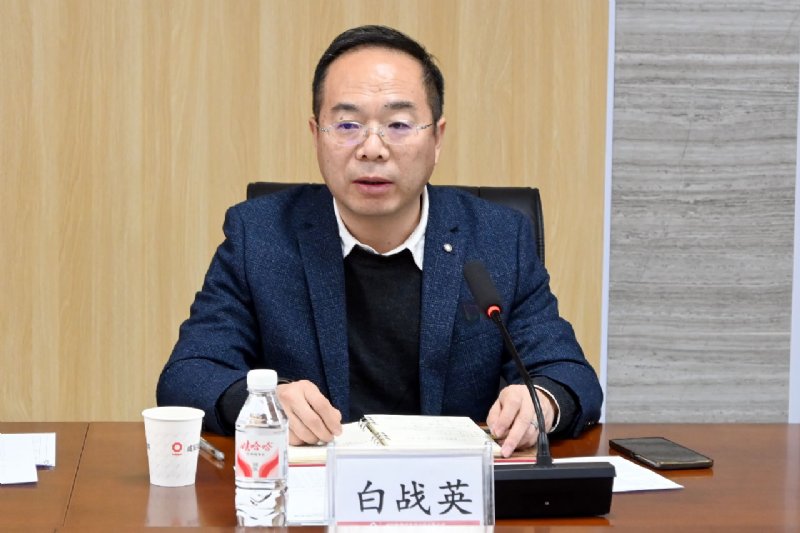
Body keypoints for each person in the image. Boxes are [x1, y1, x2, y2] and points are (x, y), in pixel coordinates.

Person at [156, 25, 602, 457]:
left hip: (452, 494)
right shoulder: (260, 235)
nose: (372, 148)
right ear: (316, 136)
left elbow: (569, 374)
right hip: (314, 493)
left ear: (437, 138)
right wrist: (262, 404)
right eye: (347, 125)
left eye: (399, 124)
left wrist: (541, 401)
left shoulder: (498, 238)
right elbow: (188, 374)